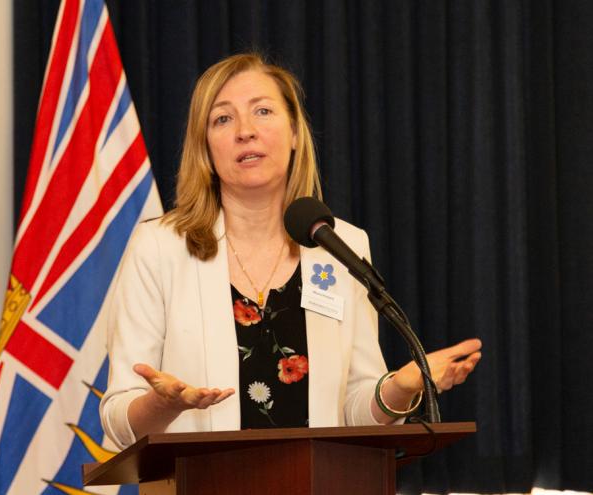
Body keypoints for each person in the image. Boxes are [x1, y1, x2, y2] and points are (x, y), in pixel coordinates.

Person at [99, 53, 481, 449]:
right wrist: (161, 405)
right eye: (223, 119)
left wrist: (399, 388)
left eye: (263, 111)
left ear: (295, 133)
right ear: (205, 150)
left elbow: (352, 414)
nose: (245, 131)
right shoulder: (160, 248)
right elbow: (117, 420)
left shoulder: (341, 246)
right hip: (200, 478)